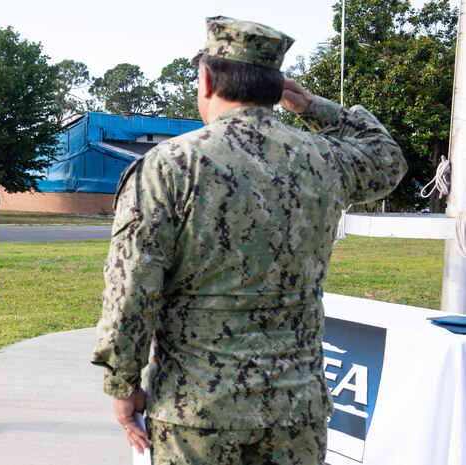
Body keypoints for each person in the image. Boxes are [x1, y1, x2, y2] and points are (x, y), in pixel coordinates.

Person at [91, 16, 407, 465]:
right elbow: (387, 158)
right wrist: (315, 107)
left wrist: (122, 386)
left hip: (197, 410)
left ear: (205, 79)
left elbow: (131, 291)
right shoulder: (325, 159)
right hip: (296, 409)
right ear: (277, 89)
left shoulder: (169, 166)